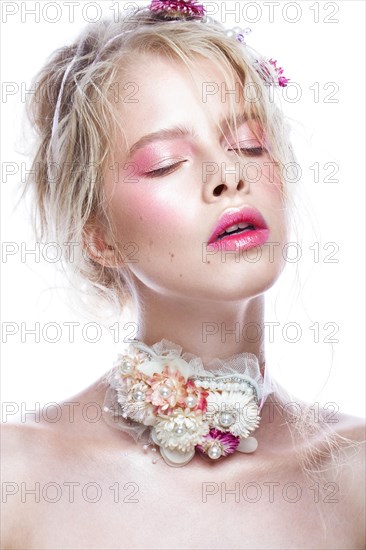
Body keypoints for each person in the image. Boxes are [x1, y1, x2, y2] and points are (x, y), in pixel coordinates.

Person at [2, 1, 365, 548]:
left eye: (248, 144)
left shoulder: (354, 475)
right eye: (167, 162)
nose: (228, 175)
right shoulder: (17, 476)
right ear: (97, 235)